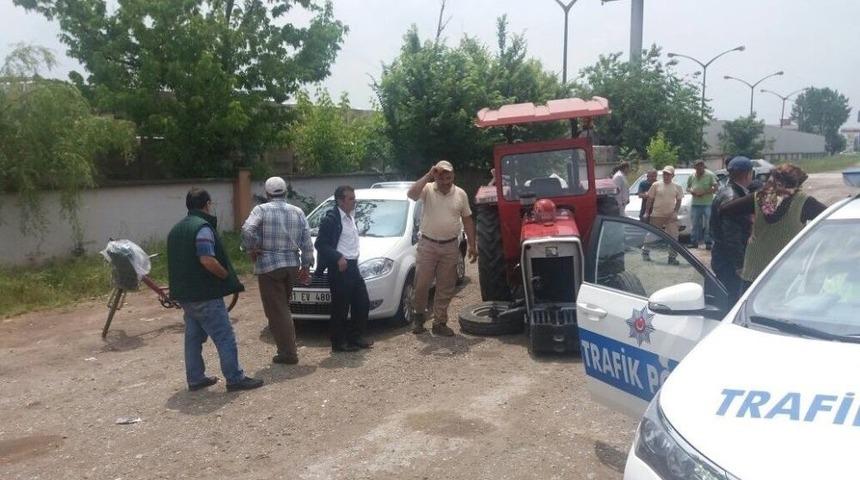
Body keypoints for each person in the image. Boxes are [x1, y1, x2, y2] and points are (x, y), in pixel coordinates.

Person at [167, 188, 263, 392]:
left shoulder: (176, 229)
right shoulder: (202, 228)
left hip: (185, 295)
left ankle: (195, 378)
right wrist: (225, 275)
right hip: (205, 294)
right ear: (207, 204)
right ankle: (235, 378)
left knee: (193, 337)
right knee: (224, 335)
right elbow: (207, 259)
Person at [241, 176, 314, 365]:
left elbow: (248, 229)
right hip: (291, 264)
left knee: (278, 310)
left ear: (267, 193)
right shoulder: (297, 211)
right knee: (283, 307)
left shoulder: (261, 210)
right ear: (285, 192)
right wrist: (306, 265)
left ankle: (288, 352)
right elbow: (307, 241)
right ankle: (286, 349)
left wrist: (252, 248)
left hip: (269, 265)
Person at [720, 163, 826, 291]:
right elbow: (830, 218)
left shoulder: (759, 197)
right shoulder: (805, 202)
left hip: (755, 268)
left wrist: (750, 223)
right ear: (797, 184)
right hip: (784, 269)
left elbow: (725, 210)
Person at [407, 160, 478, 336]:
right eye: (441, 176)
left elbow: (468, 219)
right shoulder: (428, 189)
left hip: (450, 246)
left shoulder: (460, 194)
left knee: (446, 287)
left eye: (449, 176)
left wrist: (472, 244)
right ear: (436, 176)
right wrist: (428, 175)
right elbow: (411, 194)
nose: (445, 180)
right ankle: (418, 317)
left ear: (453, 175)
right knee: (422, 284)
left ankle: (440, 322)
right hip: (428, 245)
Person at [314, 185, 374, 353]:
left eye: (354, 198)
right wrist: (337, 257)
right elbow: (321, 244)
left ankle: (356, 337)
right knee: (340, 307)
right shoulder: (331, 219)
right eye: (351, 199)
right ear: (340, 201)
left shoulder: (350, 216)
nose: (354, 202)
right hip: (340, 268)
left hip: (353, 266)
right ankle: (338, 343)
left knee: (361, 302)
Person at [709, 156, 756, 305]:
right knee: (733, 299)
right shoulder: (733, 197)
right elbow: (731, 235)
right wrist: (739, 264)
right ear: (749, 174)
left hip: (723, 256)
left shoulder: (727, 191)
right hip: (729, 260)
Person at [642, 165, 684, 265]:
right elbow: (650, 199)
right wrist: (646, 212)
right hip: (657, 214)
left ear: (673, 175)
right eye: (664, 174)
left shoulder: (677, 187)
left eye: (668, 174)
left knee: (674, 236)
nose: (666, 176)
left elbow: (679, 201)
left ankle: (672, 258)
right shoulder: (656, 185)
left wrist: (675, 212)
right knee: (652, 235)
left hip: (671, 216)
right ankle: (645, 252)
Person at [686, 159, 718, 250]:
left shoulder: (710, 175)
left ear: (703, 166)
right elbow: (687, 187)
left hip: (707, 203)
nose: (699, 168)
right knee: (695, 224)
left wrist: (704, 192)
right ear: (694, 167)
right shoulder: (692, 176)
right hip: (695, 203)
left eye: (701, 166)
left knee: (708, 224)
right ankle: (694, 242)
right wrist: (692, 191)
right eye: (697, 166)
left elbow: (715, 187)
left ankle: (708, 242)